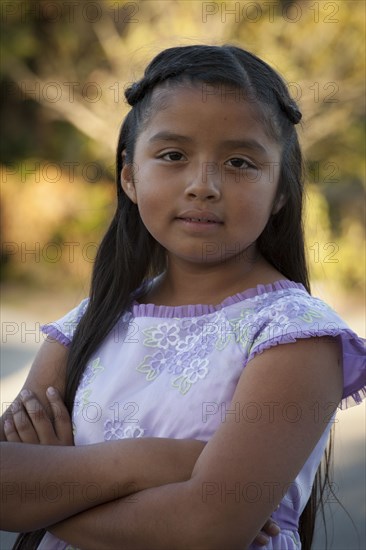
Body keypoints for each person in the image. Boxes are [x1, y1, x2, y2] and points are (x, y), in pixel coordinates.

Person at [1, 44, 365, 550]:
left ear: (280, 188)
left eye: (240, 162)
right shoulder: (88, 323)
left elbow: (204, 529)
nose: (204, 185)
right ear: (129, 175)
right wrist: (156, 460)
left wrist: (51, 496)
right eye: (173, 155)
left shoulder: (294, 336)